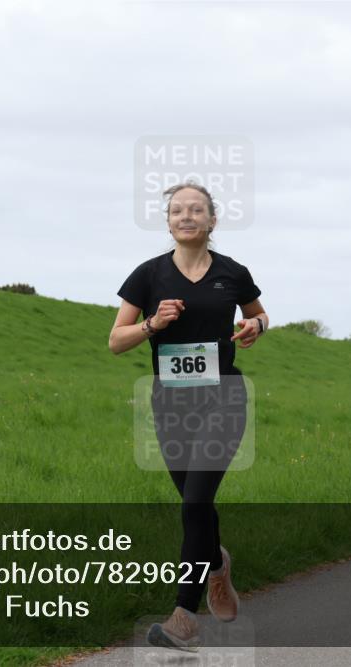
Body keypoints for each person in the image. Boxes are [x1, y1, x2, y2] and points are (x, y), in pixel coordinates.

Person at [109, 181, 268, 652]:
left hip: (224, 398)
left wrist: (254, 326)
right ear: (168, 222)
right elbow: (116, 341)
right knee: (193, 506)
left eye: (196, 210)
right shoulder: (148, 275)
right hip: (171, 403)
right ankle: (216, 566)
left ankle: (183, 617)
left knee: (196, 502)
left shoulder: (232, 273)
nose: (186, 216)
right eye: (177, 210)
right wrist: (152, 324)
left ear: (212, 220)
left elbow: (260, 315)